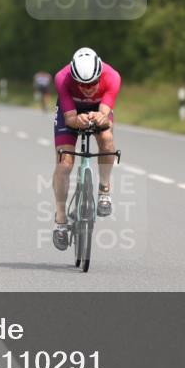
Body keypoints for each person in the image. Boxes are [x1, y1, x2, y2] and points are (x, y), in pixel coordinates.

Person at [51, 48, 121, 251]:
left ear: (100, 76)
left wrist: (100, 118)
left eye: (92, 83)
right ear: (74, 78)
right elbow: (70, 118)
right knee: (64, 162)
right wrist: (76, 120)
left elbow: (105, 115)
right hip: (70, 110)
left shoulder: (112, 77)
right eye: (82, 84)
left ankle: (104, 190)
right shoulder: (62, 78)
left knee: (107, 138)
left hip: (99, 108)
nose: (88, 89)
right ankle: (61, 219)